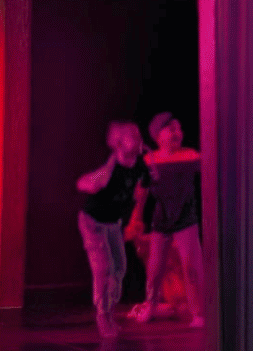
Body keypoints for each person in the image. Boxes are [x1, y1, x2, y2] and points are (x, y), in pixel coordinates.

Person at [131, 112, 205, 328]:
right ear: (157, 136)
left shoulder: (190, 156)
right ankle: (151, 307)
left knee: (192, 266)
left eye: (179, 128)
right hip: (161, 221)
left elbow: (212, 174)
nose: (176, 132)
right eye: (170, 128)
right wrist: (136, 218)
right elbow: (142, 193)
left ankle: (198, 313)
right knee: (154, 270)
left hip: (186, 219)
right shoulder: (150, 161)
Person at [76, 121, 148, 338]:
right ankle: (103, 314)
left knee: (120, 269)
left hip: (113, 223)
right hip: (93, 223)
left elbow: (144, 185)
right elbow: (84, 183)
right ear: (118, 143)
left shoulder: (139, 164)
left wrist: (137, 214)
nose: (136, 139)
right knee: (104, 269)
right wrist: (91, 182)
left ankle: (109, 310)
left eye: (137, 135)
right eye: (130, 136)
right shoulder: (111, 167)